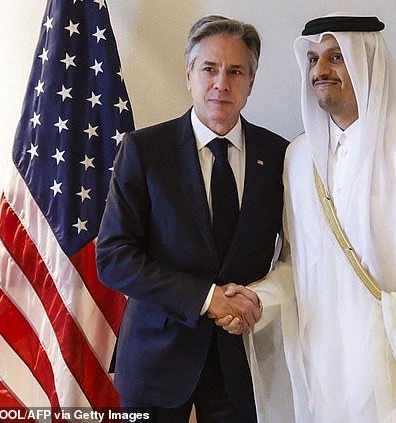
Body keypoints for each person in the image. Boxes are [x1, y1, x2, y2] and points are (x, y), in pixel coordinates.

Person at [217, 14, 396, 422]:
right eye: (312, 60)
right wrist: (257, 299)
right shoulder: (301, 157)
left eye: (335, 57)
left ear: (368, 62)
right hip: (328, 372)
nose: (320, 70)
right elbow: (298, 266)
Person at [96, 15, 287, 423]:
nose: (222, 83)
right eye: (209, 69)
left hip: (242, 362)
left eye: (236, 71)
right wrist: (207, 299)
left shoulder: (279, 157)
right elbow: (113, 258)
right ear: (188, 74)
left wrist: (258, 300)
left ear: (251, 83)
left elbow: (295, 255)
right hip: (155, 362)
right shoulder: (145, 151)